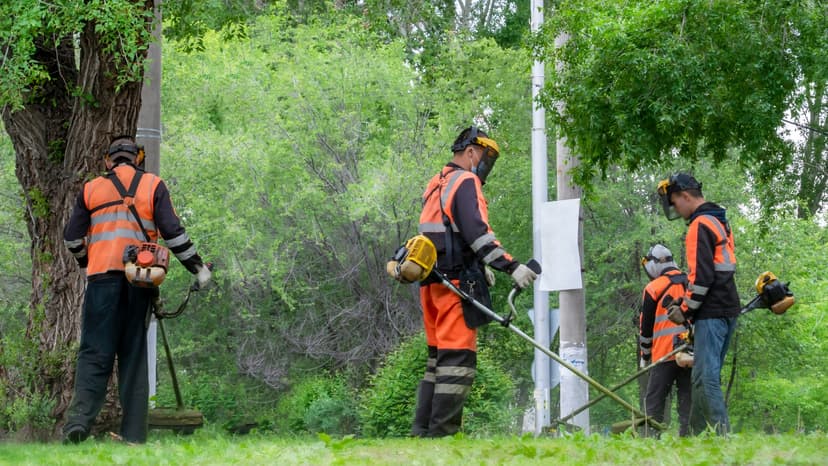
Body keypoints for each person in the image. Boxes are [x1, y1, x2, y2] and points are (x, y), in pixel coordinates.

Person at [62, 136, 211, 444]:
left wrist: (86, 260)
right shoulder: (153, 185)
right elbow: (174, 234)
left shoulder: (91, 189)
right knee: (133, 357)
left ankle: (77, 424)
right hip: (139, 282)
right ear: (138, 158)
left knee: (94, 353)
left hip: (101, 281)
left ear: (108, 160)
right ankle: (133, 435)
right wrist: (198, 268)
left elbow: (72, 238)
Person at [412, 126, 537, 437]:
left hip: (431, 283)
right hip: (454, 286)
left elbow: (446, 232)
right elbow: (478, 234)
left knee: (437, 362)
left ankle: (422, 432)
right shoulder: (466, 181)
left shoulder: (437, 181)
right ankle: (442, 436)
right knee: (457, 361)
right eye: (484, 157)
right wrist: (511, 267)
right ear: (470, 152)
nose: (484, 167)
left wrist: (479, 265)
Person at [657, 173, 739, 436]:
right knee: (701, 377)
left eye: (675, 203)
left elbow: (702, 278)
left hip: (712, 312)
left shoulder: (699, 225)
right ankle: (696, 435)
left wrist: (684, 310)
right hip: (726, 306)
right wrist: (687, 301)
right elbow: (716, 273)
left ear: (685, 196)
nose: (676, 209)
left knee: (705, 379)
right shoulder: (718, 220)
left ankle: (722, 437)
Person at [638, 243, 692, 437]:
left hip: (664, 355)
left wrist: (645, 356)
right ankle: (689, 437)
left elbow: (645, 328)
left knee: (654, 402)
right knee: (688, 400)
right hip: (690, 353)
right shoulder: (691, 283)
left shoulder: (653, 288)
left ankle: (652, 438)